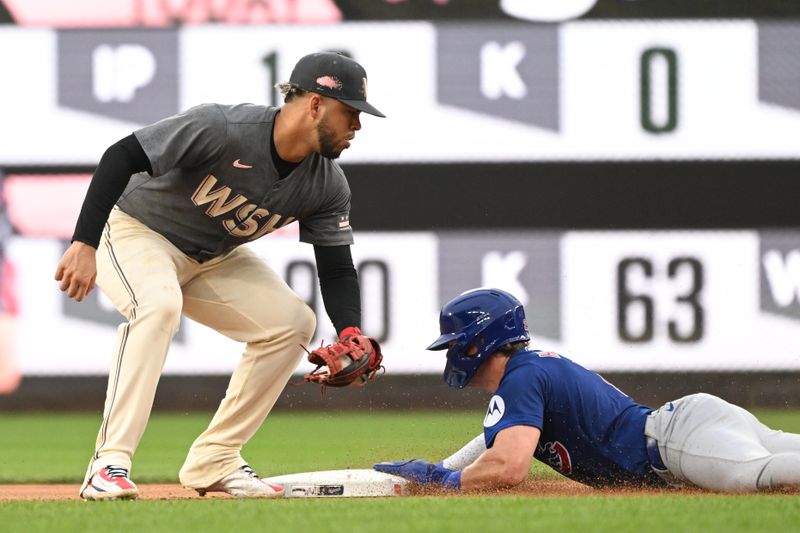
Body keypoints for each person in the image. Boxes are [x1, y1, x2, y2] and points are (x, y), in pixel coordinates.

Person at [54, 52, 385, 500]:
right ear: (315, 104)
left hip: (210, 256)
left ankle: (216, 459)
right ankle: (108, 465)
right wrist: (84, 242)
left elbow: (336, 266)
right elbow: (122, 155)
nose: (357, 126)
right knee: (158, 305)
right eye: (350, 112)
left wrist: (348, 330)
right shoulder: (224, 128)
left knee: (291, 324)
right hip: (136, 229)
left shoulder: (327, 184)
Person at [375, 288, 800, 493]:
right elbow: (502, 439)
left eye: (457, 343)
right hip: (689, 428)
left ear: (482, 340)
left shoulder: (520, 378)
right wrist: (444, 467)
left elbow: (508, 465)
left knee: (761, 479)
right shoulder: (529, 373)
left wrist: (444, 480)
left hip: (677, 443)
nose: (453, 354)